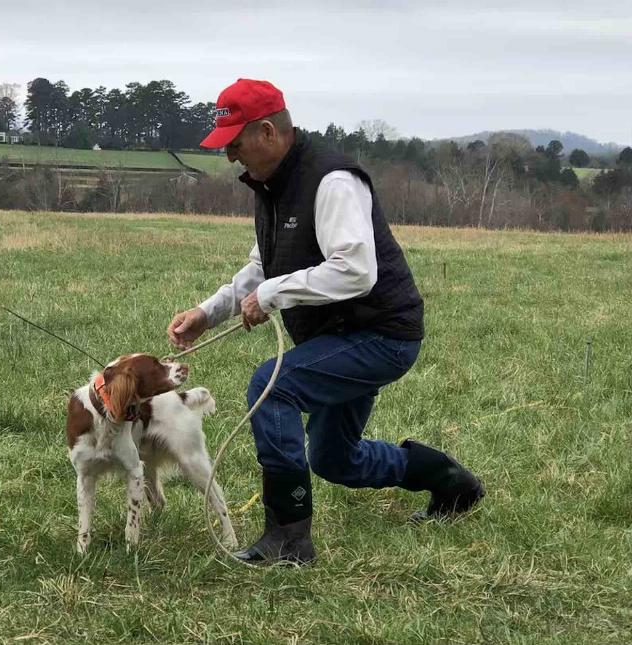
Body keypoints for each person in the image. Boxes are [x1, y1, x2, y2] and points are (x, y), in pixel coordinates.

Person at [167, 79, 484, 565]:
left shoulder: (332, 181)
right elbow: (263, 265)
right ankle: (449, 481)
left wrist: (272, 295)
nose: (230, 156)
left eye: (235, 143)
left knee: (273, 388)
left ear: (268, 132)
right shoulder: (272, 185)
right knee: (334, 459)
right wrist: (207, 313)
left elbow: (356, 269)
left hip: (381, 335)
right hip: (339, 336)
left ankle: (288, 539)